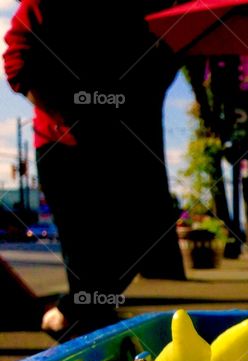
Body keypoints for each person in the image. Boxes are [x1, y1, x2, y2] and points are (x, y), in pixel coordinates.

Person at [3, 0, 185, 339]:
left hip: (122, 141)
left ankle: (77, 317)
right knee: (85, 249)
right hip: (64, 147)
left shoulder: (132, 11)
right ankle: (87, 335)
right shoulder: (43, 5)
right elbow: (17, 62)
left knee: (147, 229)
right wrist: (64, 113)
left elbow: (160, 59)